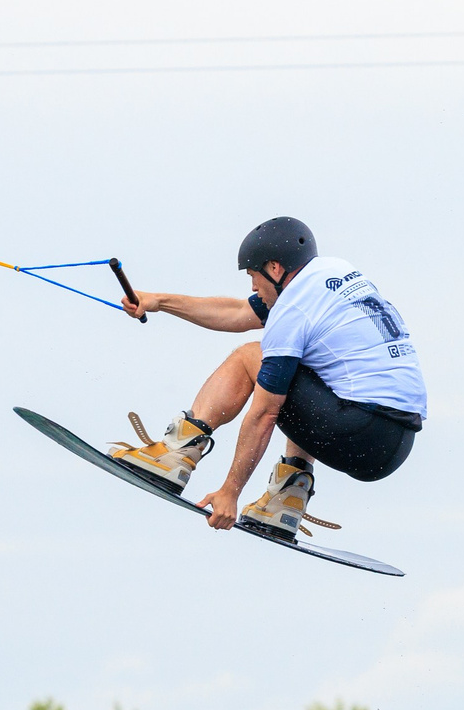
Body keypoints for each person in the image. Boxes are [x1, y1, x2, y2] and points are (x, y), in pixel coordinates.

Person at [108, 217, 426, 539]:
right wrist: (158, 302)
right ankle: (288, 495)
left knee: (250, 356)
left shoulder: (293, 310)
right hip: (395, 443)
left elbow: (264, 414)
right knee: (308, 366)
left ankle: (177, 453)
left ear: (275, 269)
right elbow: (237, 313)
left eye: (252, 275)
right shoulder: (330, 273)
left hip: (358, 430)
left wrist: (230, 491)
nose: (252, 286)